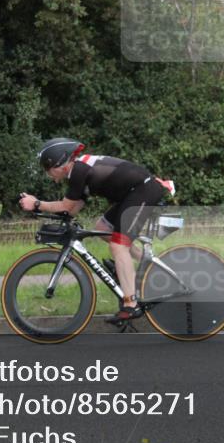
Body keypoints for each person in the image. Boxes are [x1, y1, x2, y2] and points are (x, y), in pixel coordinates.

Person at [19, 137, 174, 324]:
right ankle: (142, 266)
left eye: (47, 168)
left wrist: (37, 203)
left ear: (58, 163)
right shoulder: (78, 172)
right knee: (102, 228)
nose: (48, 174)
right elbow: (73, 209)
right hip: (133, 194)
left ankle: (131, 304)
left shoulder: (78, 170)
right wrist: (39, 207)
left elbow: (67, 207)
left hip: (143, 190)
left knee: (118, 246)